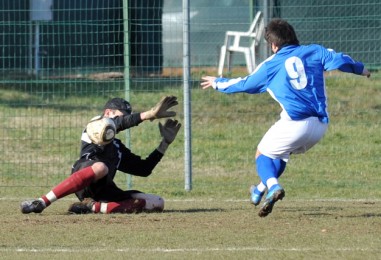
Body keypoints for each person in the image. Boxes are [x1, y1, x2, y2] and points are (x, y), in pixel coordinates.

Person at [201, 19, 371, 217]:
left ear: (273, 45)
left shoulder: (271, 65)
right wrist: (362, 69)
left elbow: (245, 84)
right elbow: (342, 59)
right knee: (280, 154)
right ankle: (258, 191)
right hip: (320, 126)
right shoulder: (315, 51)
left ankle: (273, 187)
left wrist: (217, 83)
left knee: (262, 155)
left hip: (295, 124)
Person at [20, 96, 181, 214]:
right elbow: (116, 124)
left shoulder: (117, 148)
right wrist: (149, 114)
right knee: (101, 167)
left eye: (127, 115)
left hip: (104, 191)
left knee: (156, 202)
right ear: (108, 112)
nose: (125, 119)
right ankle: (41, 202)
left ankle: (92, 207)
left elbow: (143, 169)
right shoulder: (96, 123)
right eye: (122, 114)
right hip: (85, 179)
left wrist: (165, 143)